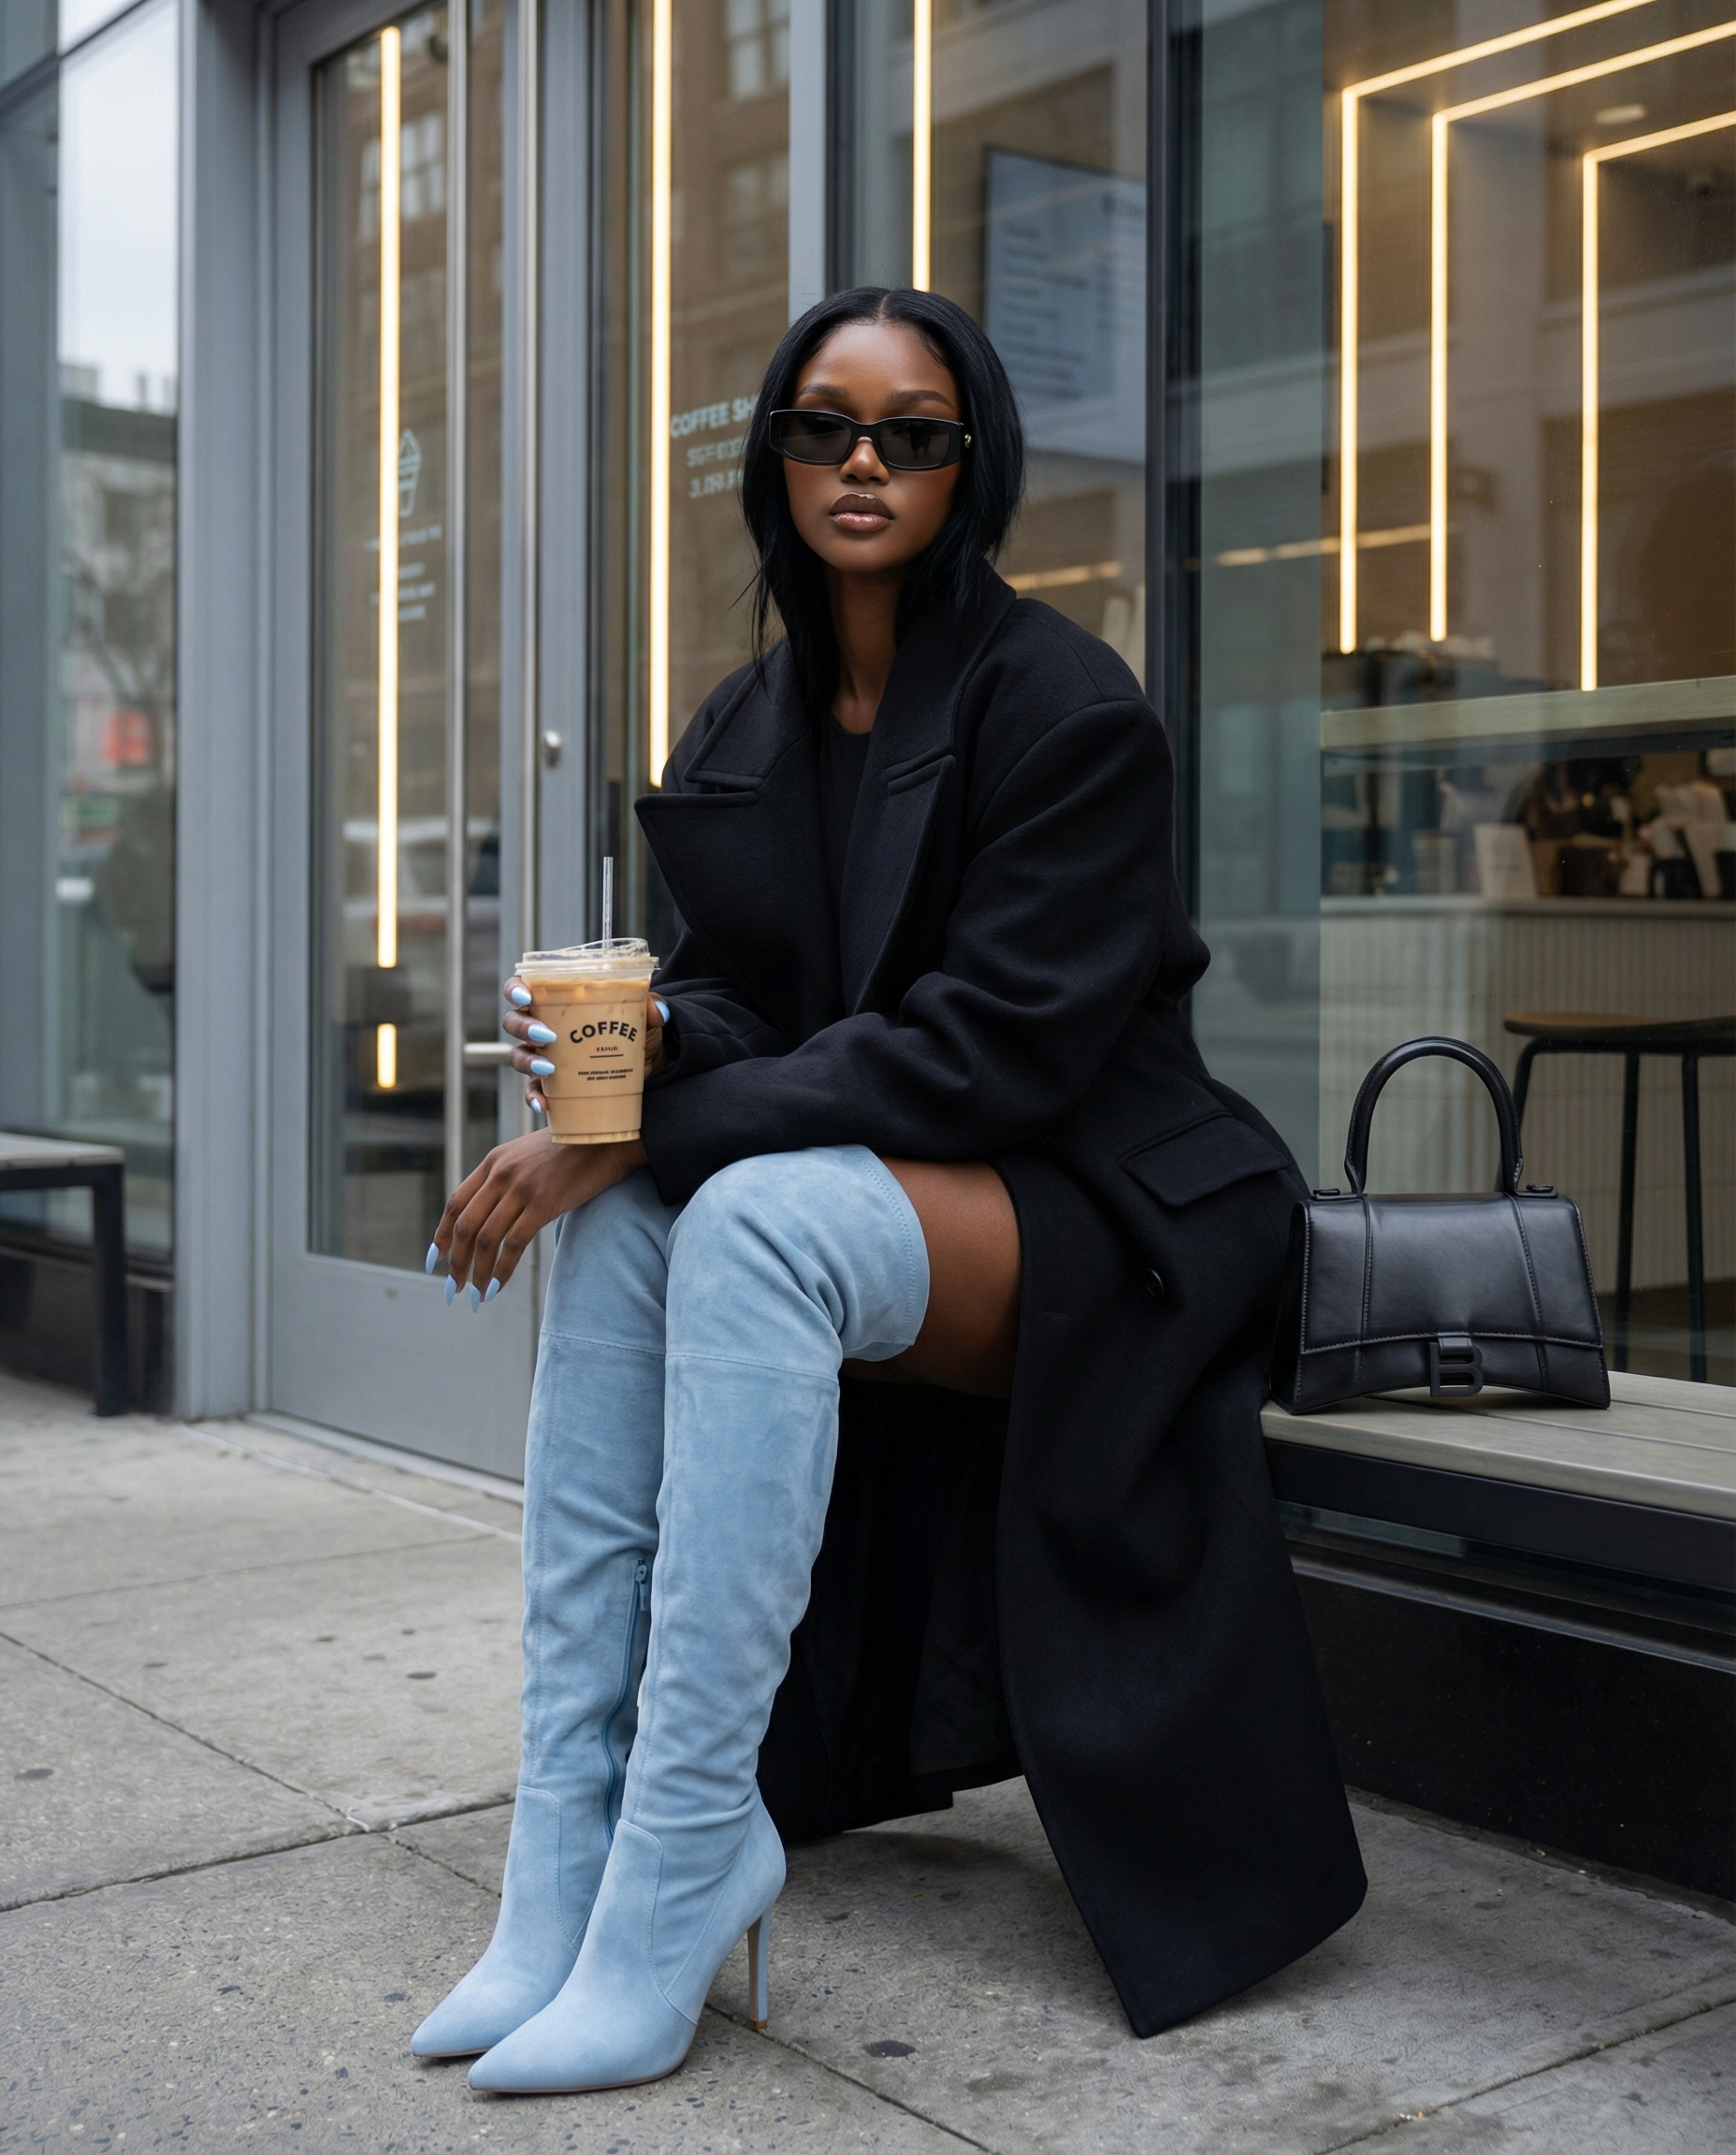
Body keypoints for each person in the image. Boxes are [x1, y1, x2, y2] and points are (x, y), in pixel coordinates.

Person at [414, 288, 1366, 2095]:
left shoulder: (1065, 703)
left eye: (910, 432)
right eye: (823, 428)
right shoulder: (754, 711)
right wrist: (635, 1059)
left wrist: (657, 1126)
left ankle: (691, 1841)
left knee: (746, 1222)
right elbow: (747, 990)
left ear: (968, 461)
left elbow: (989, 1052)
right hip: (914, 1172)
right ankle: (570, 1863)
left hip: (1107, 1200)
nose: (864, 462)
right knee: (624, 1224)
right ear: (773, 459)